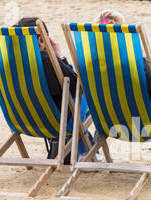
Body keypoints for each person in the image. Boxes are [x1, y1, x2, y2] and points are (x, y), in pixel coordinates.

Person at [13, 17, 101, 162]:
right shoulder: (46, 61)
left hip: (21, 119)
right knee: (87, 88)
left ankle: (84, 148)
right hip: (54, 122)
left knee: (71, 90)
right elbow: (76, 86)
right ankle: (85, 150)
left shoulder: (6, 63)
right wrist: (59, 55)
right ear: (42, 40)